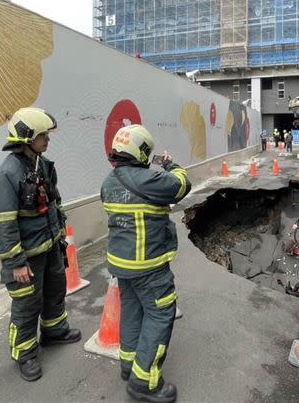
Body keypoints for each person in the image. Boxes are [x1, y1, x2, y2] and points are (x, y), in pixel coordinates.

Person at [0, 107, 81, 382]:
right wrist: (15, 263)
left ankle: (54, 331)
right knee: (27, 304)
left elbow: (54, 201)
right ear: (26, 138)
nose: (47, 140)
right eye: (42, 135)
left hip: (50, 246)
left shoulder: (43, 165)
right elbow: (1, 224)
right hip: (26, 257)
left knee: (55, 289)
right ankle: (24, 352)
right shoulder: (5, 176)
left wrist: (58, 232)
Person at [101, 124, 191, 403]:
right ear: (140, 152)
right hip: (149, 267)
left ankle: (129, 366)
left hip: (122, 264)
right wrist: (170, 164)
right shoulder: (148, 180)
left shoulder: (109, 181)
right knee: (160, 314)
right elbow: (181, 184)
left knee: (133, 311)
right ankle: (144, 381)